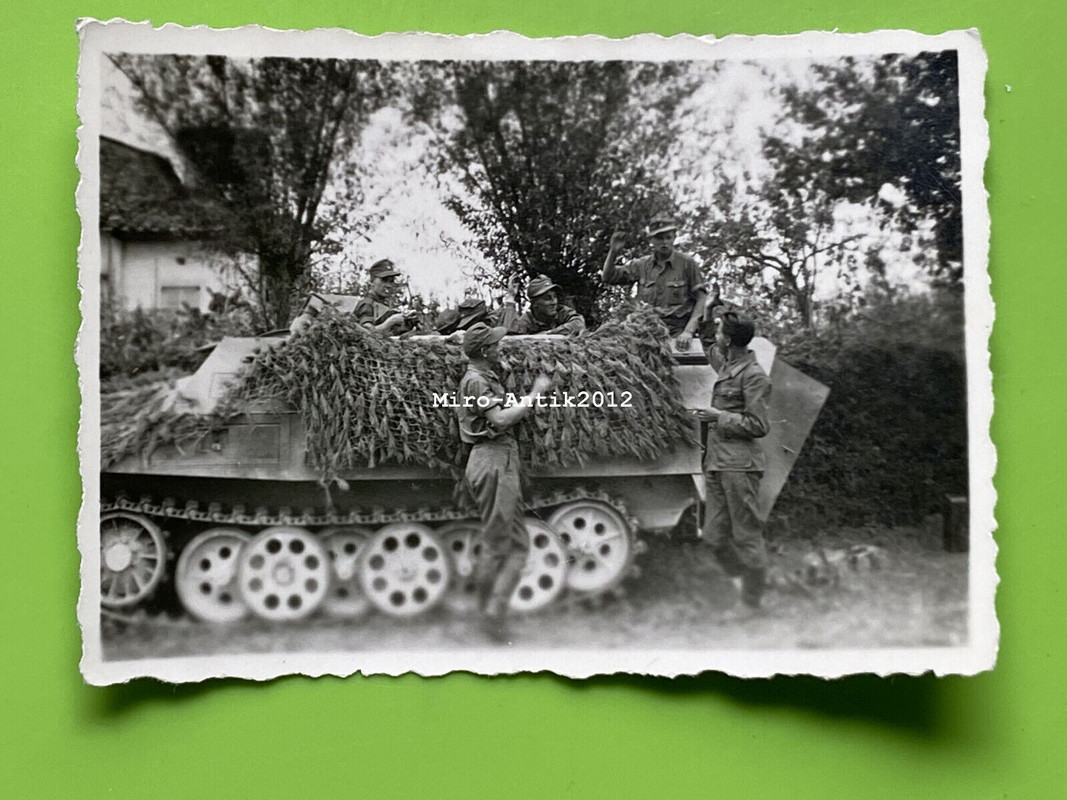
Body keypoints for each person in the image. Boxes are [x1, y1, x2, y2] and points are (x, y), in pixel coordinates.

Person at [457, 323, 553, 642]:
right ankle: (490, 614)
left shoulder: (483, 376)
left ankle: (489, 610)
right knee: (502, 543)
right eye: (495, 346)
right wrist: (534, 396)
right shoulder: (475, 380)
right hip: (493, 461)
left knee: (512, 542)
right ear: (484, 351)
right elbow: (498, 419)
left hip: (496, 460)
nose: (501, 348)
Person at [692, 311, 772, 608]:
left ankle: (752, 603)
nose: (717, 336)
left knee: (746, 535)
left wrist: (719, 417)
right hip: (717, 464)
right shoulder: (728, 365)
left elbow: (759, 425)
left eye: (720, 332)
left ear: (729, 339)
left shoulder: (754, 376)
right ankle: (743, 584)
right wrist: (708, 313)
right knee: (713, 537)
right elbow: (705, 340)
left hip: (740, 467)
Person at [602, 214, 708, 348]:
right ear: (651, 240)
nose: (664, 242)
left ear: (674, 238)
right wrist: (613, 252)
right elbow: (608, 277)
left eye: (668, 237)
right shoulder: (641, 265)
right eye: (659, 238)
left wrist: (688, 331)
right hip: (646, 332)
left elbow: (702, 299)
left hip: (677, 334)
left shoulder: (687, 263)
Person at [508, 274, 586, 335]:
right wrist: (511, 297)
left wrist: (549, 334)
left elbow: (578, 324)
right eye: (547, 298)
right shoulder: (528, 320)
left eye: (554, 296)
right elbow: (511, 333)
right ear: (535, 304)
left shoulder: (561, 311)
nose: (554, 302)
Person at [353, 259, 415, 335]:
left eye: (391, 281)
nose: (389, 285)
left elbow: (390, 334)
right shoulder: (367, 304)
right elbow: (366, 333)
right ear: (372, 281)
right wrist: (391, 321)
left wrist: (408, 323)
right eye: (384, 280)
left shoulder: (383, 305)